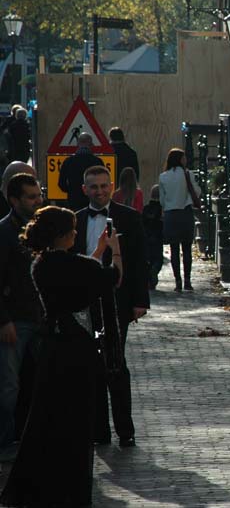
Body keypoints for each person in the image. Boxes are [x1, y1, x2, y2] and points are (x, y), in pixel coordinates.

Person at [0, 205, 121, 507]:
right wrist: (114, 251)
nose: (76, 233)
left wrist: (96, 251)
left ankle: (40, 484)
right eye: (73, 230)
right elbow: (109, 278)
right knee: (78, 419)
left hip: (52, 346)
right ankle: (73, 487)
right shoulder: (80, 267)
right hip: (77, 348)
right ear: (64, 234)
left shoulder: (40, 265)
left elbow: (78, 275)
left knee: (47, 415)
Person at [73, 165, 150, 448]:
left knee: (116, 362)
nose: (100, 191)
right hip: (85, 301)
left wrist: (141, 301)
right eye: (94, 187)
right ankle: (99, 431)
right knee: (92, 366)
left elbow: (140, 260)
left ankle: (125, 429)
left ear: (112, 186)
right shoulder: (76, 219)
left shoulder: (129, 218)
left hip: (118, 300)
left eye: (104, 186)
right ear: (85, 190)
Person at [0, 174, 43, 463]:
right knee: (8, 386)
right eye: (31, 196)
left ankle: (36, 439)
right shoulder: (3, 233)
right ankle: (5, 442)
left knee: (39, 382)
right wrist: (4, 320)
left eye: (38, 194)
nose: (37, 200)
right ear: (14, 200)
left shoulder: (44, 227)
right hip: (15, 319)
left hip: (42, 317)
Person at [158, 148, 200, 292]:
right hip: (185, 213)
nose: (186, 160)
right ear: (180, 159)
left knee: (174, 249)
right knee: (187, 249)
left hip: (171, 214)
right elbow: (197, 191)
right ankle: (187, 280)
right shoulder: (188, 174)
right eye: (184, 158)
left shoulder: (163, 177)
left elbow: (162, 200)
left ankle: (178, 281)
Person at [58, 132, 103, 210]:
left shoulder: (68, 161)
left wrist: (71, 191)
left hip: (74, 201)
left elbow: (61, 183)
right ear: (91, 144)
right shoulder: (97, 162)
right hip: (93, 200)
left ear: (77, 144)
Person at [142, 184, 164, 290]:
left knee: (148, 258)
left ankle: (149, 279)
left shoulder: (146, 208)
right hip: (157, 237)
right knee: (158, 259)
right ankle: (154, 270)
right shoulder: (161, 209)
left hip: (146, 237)